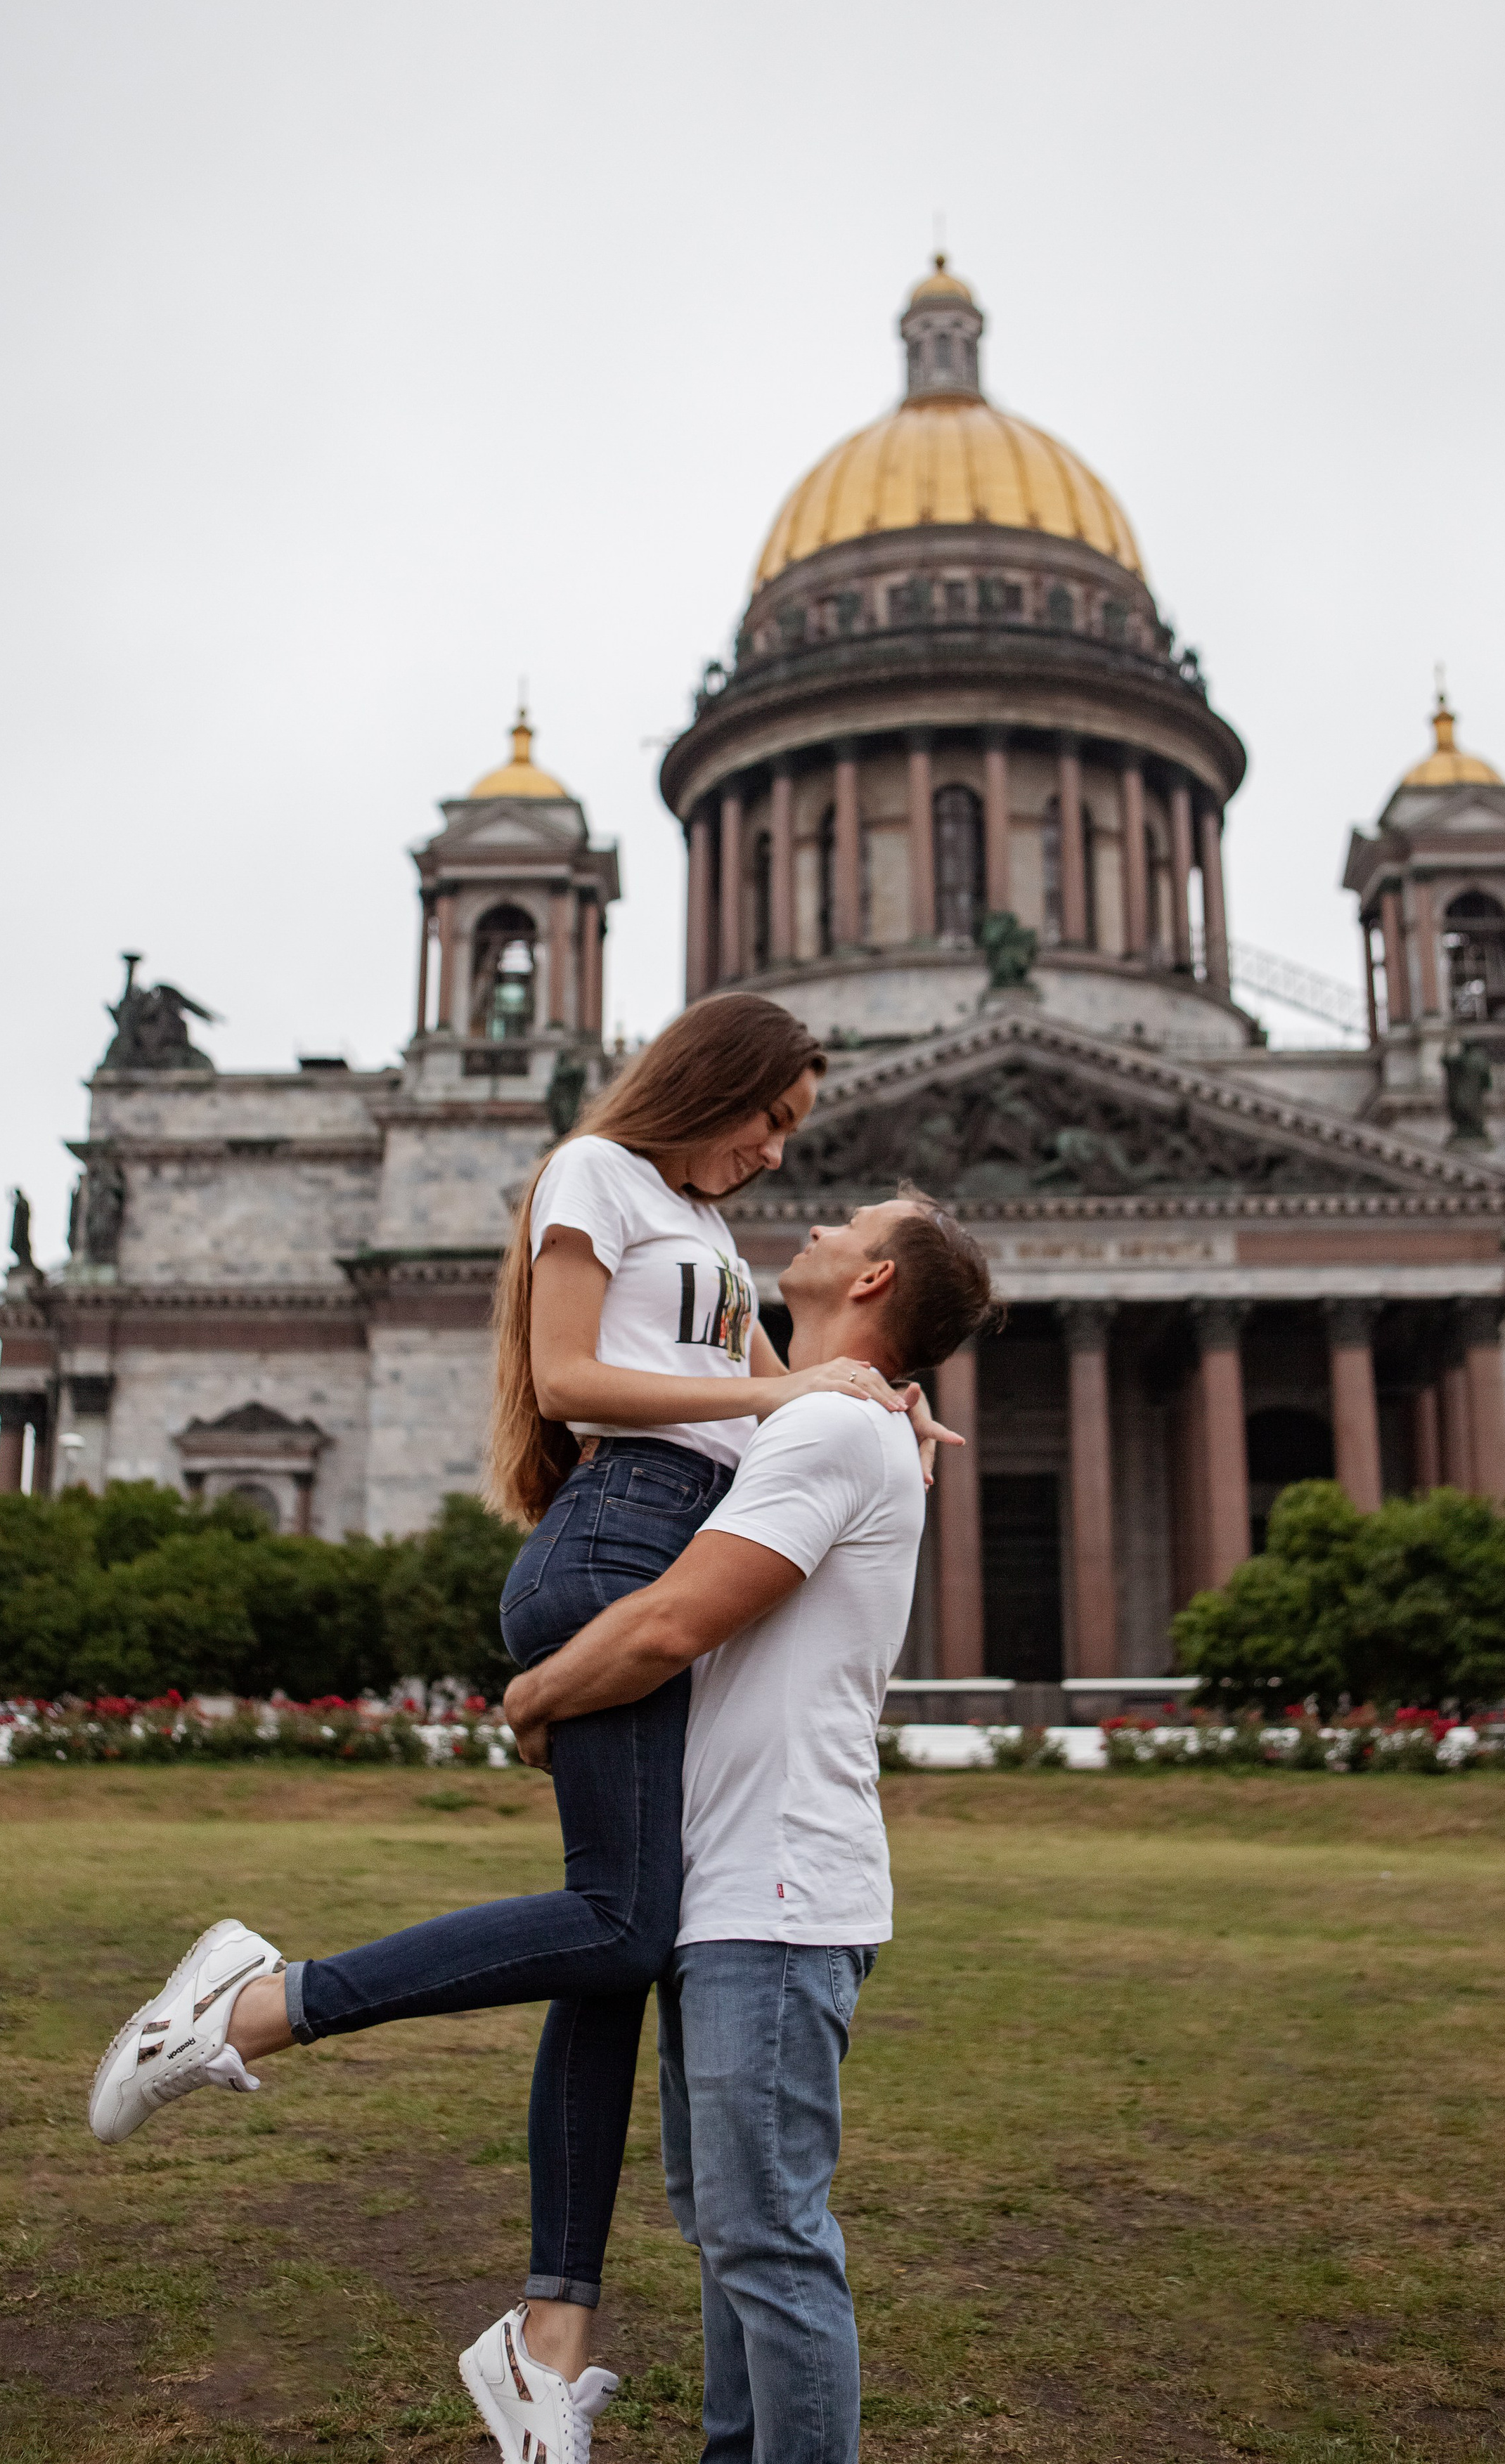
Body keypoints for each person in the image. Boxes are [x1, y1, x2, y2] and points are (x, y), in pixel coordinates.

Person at [86, 996, 954, 2463]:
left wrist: (877, 1413)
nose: (771, 1153)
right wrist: (788, 1382)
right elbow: (569, 1382)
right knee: (617, 1925)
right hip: (616, 1540)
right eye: (771, 1118)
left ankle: (550, 2337)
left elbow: (792, 1409)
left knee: (620, 1940)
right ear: (715, 1077)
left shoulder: (717, 1250)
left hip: (665, 1535)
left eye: (796, 1140)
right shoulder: (590, 1171)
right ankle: (246, 2006)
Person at [496, 1191, 997, 2464]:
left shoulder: (829, 1428)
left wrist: (542, 1690)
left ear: (875, 1279)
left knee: (766, 2244)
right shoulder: (824, 1412)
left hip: (773, 1901)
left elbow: (674, 1622)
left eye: (848, 1219)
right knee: (734, 2236)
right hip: (734, 1891)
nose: (816, 1220)